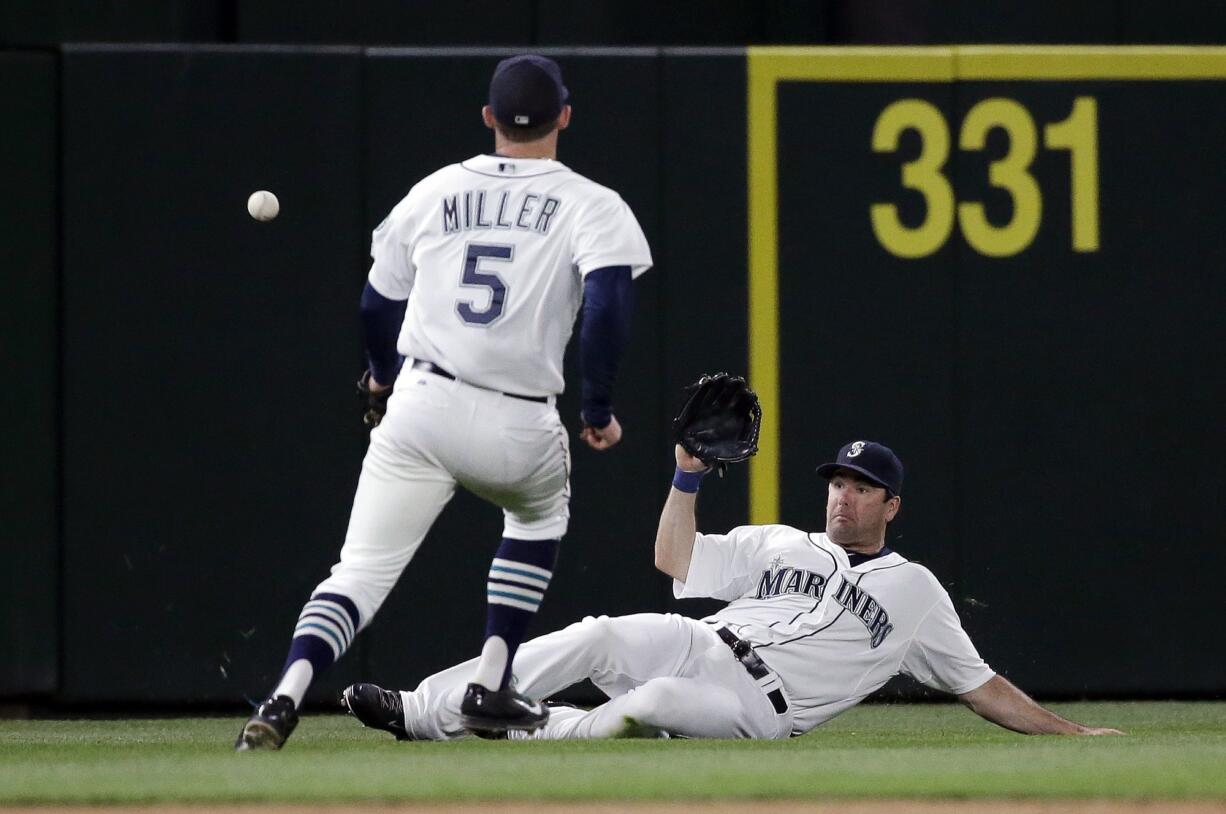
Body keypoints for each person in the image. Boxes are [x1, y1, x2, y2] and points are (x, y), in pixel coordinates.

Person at [235, 54, 653, 751]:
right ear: (566, 117)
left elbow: (377, 302)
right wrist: (597, 405)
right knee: (538, 516)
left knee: (359, 574)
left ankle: (283, 698)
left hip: (422, 404)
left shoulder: (433, 191)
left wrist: (378, 377)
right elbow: (609, 301)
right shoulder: (593, 202)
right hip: (519, 416)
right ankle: (490, 680)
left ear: (488, 118)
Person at [340, 440, 1122, 740]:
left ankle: (528, 728)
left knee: (644, 711)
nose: (843, 496)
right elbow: (674, 561)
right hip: (701, 640)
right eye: (838, 483)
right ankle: (422, 710)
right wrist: (686, 476)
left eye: (862, 488)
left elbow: (983, 688)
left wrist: (1074, 735)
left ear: (892, 507)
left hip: (758, 707)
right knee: (598, 633)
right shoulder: (778, 541)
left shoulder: (914, 592)